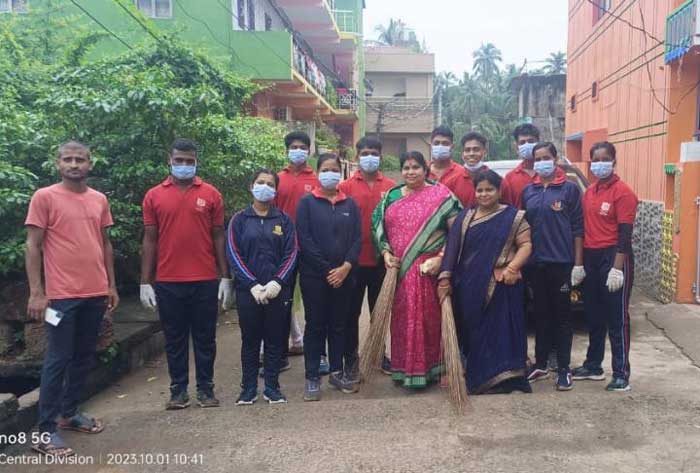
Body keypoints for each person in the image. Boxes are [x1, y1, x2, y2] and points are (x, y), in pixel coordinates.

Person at [26, 141, 119, 457]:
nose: (74, 164)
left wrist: (111, 286)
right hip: (60, 298)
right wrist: (37, 292)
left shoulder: (99, 199)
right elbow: (33, 245)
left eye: (80, 159)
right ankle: (45, 431)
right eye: (68, 159)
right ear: (58, 164)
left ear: (90, 164)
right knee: (58, 358)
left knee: (83, 356)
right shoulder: (45, 197)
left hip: (94, 293)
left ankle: (69, 413)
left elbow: (104, 244)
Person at [140, 138, 233, 410]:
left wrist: (225, 277)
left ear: (196, 162)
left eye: (189, 161)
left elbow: (218, 236)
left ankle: (206, 389)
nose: (184, 165)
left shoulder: (212, 194)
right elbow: (150, 239)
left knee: (205, 339)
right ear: (169, 161)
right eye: (179, 160)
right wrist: (145, 281)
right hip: (168, 281)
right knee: (175, 340)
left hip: (204, 280)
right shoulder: (153, 196)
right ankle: (178, 391)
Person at [438, 170, 533, 394]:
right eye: (480, 190)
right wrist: (445, 277)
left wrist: (512, 267)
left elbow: (526, 245)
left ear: (499, 191)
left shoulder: (513, 216)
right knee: (475, 331)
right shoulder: (465, 218)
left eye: (489, 189)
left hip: (503, 285)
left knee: (504, 331)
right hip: (469, 286)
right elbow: (452, 250)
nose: (484, 194)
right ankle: (480, 378)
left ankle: (508, 378)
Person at [372, 151, 462, 388]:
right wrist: (386, 254)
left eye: (415, 167)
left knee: (429, 322)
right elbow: (377, 226)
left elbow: (457, 232)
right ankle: (403, 370)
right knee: (402, 321)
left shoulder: (441, 195)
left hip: (427, 271)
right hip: (398, 273)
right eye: (406, 167)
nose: (410, 172)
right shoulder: (391, 196)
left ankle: (432, 370)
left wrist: (441, 259)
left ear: (425, 169)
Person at [227, 169, 297, 405]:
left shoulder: (284, 220)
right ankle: (248, 389)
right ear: (252, 186)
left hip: (278, 291)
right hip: (248, 293)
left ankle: (272, 387)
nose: (264, 187)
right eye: (260, 182)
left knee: (275, 340)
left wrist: (278, 281)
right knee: (250, 341)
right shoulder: (239, 220)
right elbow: (233, 253)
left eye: (270, 184)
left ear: (276, 191)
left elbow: (291, 253)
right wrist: (252, 284)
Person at [572, 142, 638, 392]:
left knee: (617, 318)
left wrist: (617, 268)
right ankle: (593, 365)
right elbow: (581, 228)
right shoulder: (590, 192)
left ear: (614, 161)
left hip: (614, 256)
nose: (600, 164)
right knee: (594, 315)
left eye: (605, 159)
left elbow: (625, 234)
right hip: (591, 256)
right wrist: (579, 263)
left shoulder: (623, 193)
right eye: (596, 160)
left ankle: (621, 373)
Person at [296, 153, 362, 401]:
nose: (330, 173)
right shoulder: (306, 203)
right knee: (315, 325)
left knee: (339, 324)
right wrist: (327, 270)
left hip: (345, 276)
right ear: (317, 172)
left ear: (340, 173)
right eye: (325, 169)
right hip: (315, 276)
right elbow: (305, 239)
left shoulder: (350, 204)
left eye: (334, 169)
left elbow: (357, 238)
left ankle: (337, 372)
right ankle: (312, 376)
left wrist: (345, 267)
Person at [522, 142, 583, 391]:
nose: (542, 162)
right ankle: (541, 364)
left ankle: (564, 369)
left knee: (562, 317)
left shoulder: (569, 189)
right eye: (537, 158)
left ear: (556, 159)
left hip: (561, 264)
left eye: (546, 157)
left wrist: (578, 264)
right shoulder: (529, 191)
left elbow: (578, 228)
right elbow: (522, 227)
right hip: (535, 265)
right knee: (541, 315)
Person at [338, 137, 396, 382]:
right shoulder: (345, 187)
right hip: (352, 262)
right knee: (349, 314)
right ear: (356, 157)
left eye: (373, 153)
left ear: (380, 157)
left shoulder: (392, 187)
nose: (369, 157)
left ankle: (378, 354)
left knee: (379, 312)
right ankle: (351, 359)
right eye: (364, 153)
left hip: (382, 261)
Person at [275, 131, 318, 369]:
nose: (298, 151)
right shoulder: (276, 179)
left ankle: (315, 353)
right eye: (294, 147)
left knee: (314, 302)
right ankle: (280, 353)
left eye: (302, 147)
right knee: (282, 300)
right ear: (287, 150)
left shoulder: (318, 179)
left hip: (310, 250)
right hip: (283, 249)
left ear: (309, 151)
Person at [428, 125, 474, 207]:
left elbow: (468, 207)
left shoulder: (462, 174)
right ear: (431, 145)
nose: (440, 146)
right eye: (436, 143)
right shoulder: (422, 172)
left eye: (445, 143)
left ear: (452, 146)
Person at [501, 124, 541, 209]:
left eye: (531, 141)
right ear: (516, 147)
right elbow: (506, 209)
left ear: (538, 143)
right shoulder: (510, 178)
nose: (527, 145)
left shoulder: (553, 173)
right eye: (522, 142)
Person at [460, 131, 491, 208]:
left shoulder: (497, 181)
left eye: (476, 149)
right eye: (467, 150)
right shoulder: (453, 181)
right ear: (462, 154)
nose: (471, 154)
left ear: (485, 152)